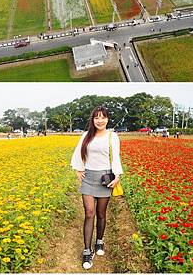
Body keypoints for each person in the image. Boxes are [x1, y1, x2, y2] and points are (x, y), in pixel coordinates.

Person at [71, 106, 123, 270]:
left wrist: (117, 177)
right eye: (96, 117)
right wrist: (78, 168)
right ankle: (87, 251)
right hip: (88, 178)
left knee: (101, 213)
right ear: (92, 120)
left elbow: (116, 156)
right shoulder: (86, 135)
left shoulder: (112, 136)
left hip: (104, 179)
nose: (100, 120)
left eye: (103, 117)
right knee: (89, 213)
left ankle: (99, 241)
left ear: (107, 119)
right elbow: (79, 152)